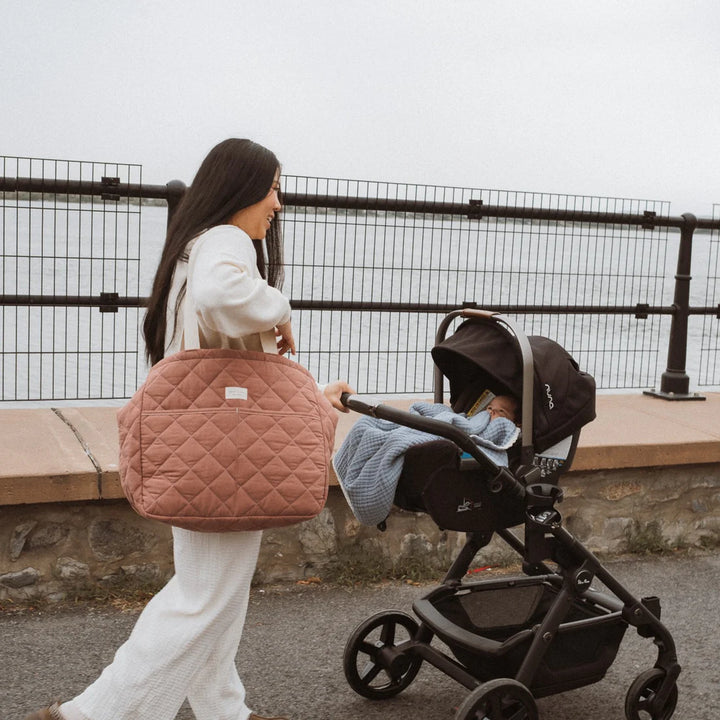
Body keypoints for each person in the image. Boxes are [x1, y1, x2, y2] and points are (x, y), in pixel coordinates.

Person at [25, 138, 354, 720]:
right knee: (203, 598)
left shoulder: (192, 247)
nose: (278, 204)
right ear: (242, 189)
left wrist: (311, 394)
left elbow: (229, 360)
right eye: (273, 188)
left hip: (200, 444)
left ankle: (224, 710)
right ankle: (91, 714)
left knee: (213, 593)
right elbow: (222, 297)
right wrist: (280, 308)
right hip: (229, 450)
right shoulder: (226, 241)